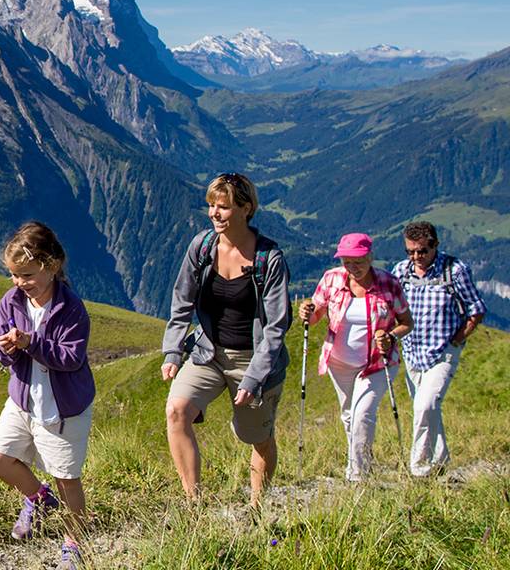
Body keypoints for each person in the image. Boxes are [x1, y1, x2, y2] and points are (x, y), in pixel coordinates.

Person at [161, 173, 292, 506]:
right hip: (208, 352)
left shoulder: (269, 260)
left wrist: (255, 376)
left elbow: (276, 327)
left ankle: (257, 506)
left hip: (253, 360)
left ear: (246, 209)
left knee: (257, 438)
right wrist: (173, 351)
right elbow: (182, 300)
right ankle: (194, 503)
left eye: (223, 207)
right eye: (210, 206)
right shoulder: (203, 247)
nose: (214, 214)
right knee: (176, 411)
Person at [0, 221, 93, 570]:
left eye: (27, 275)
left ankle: (75, 541)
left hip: (62, 408)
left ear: (51, 266)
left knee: (66, 477)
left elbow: (71, 358)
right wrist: (5, 348)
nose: (20, 283)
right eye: (15, 275)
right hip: (23, 400)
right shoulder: (12, 301)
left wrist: (31, 343)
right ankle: (38, 498)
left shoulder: (71, 308)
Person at [299, 233, 413, 482]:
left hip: (377, 362)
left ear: (370, 257)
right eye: (347, 262)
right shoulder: (331, 279)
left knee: (363, 414)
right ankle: (364, 463)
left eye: (358, 261)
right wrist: (307, 312)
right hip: (339, 362)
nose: (353, 267)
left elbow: (407, 323)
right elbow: (317, 314)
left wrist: (390, 336)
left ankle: (357, 476)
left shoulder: (388, 283)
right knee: (350, 416)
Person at [392, 221, 486, 477]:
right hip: (412, 352)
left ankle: (419, 469)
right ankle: (441, 459)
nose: (416, 257)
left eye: (422, 251)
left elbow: (476, 309)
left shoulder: (454, 270)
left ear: (435, 245)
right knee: (427, 407)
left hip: (443, 351)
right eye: (410, 251)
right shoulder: (401, 271)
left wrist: (459, 338)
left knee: (425, 405)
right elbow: (393, 306)